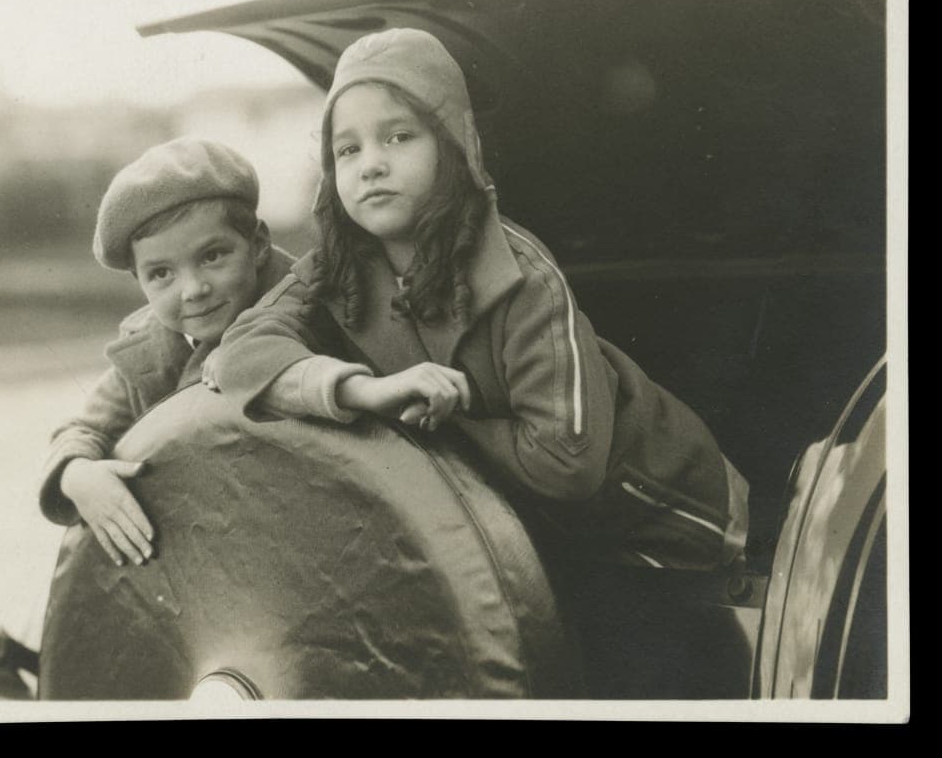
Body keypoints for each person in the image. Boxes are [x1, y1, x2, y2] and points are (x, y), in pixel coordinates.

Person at [208, 28, 748, 571]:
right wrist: (369, 393)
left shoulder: (524, 279)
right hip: (522, 533)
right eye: (347, 149)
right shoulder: (336, 268)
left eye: (398, 137)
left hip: (658, 516)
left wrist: (437, 416)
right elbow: (237, 353)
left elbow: (568, 463)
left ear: (453, 144)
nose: (370, 163)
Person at [38, 136, 292, 567]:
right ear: (139, 282)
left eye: (212, 256)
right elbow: (83, 429)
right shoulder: (145, 356)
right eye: (161, 274)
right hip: (198, 557)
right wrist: (77, 475)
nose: (193, 290)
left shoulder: (305, 312)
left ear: (259, 245)